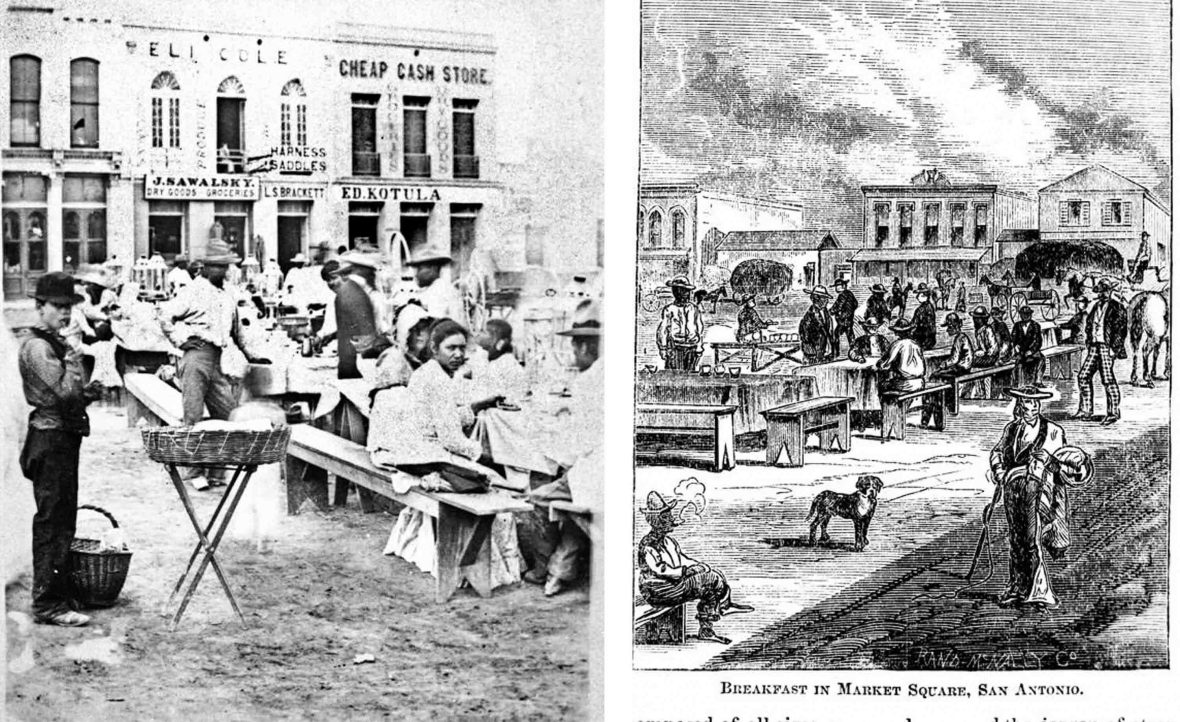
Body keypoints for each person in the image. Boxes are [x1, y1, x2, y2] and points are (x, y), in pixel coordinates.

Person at [19, 272, 104, 626]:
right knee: (53, 521)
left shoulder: (49, 342)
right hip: (50, 439)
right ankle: (47, 604)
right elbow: (65, 394)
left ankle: (58, 593)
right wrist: (72, 355)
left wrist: (88, 391)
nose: (66, 315)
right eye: (58, 307)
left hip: (60, 437)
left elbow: (70, 395)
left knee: (63, 518)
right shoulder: (38, 347)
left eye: (69, 308)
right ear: (40, 307)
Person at [160, 240, 258, 490]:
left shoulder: (227, 294)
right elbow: (165, 316)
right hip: (196, 356)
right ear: (204, 267)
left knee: (227, 414)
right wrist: (182, 341)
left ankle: (216, 470)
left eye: (225, 267)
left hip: (218, 358)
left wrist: (252, 355)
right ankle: (194, 472)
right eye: (218, 267)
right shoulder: (192, 290)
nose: (224, 272)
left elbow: (237, 330)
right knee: (192, 416)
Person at [525, 301, 604, 596]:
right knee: (569, 499)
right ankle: (564, 566)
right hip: (608, 469)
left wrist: (558, 449)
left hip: (597, 473)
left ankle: (546, 567)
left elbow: (579, 446)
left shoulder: (587, 382)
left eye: (574, 349)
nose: (574, 355)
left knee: (539, 496)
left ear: (585, 348)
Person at [988, 386, 1092, 608]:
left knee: (1031, 538)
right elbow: (997, 453)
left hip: (1038, 490)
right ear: (1019, 404)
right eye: (1027, 402)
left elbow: (1063, 467)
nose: (1032, 407)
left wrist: (1048, 460)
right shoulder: (1012, 429)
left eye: (1035, 403)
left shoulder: (1053, 431)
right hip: (1012, 488)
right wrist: (998, 472)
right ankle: (1017, 587)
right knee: (1016, 539)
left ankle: (1039, 590)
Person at [637, 491, 753, 644]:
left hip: (672, 583)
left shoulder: (669, 542)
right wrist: (686, 572)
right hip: (657, 590)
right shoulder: (648, 544)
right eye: (666, 516)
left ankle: (712, 622)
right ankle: (721, 609)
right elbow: (660, 569)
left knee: (712, 575)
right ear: (656, 520)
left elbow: (681, 559)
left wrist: (697, 566)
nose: (671, 519)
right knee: (709, 580)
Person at [1073, 280, 1127, 425]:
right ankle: (1086, 410)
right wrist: (1089, 342)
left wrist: (1113, 349)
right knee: (1083, 376)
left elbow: (1121, 332)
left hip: (1107, 347)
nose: (1102, 294)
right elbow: (1089, 325)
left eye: (1105, 291)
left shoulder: (1118, 308)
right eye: (1100, 291)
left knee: (1108, 379)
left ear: (1110, 291)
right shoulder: (1095, 307)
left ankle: (1113, 412)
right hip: (1095, 347)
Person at [333, 250, 391, 380]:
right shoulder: (353, 292)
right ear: (360, 270)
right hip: (356, 365)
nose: (373, 274)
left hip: (351, 360)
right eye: (371, 271)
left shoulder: (352, 290)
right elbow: (365, 337)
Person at [655, 275, 704, 371]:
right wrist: (663, 348)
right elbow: (663, 330)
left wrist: (699, 347)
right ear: (676, 292)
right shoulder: (669, 309)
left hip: (692, 348)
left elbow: (699, 328)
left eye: (687, 291)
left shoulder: (694, 309)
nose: (686, 293)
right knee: (674, 375)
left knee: (691, 375)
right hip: (675, 348)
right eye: (683, 291)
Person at [407, 246, 463, 322]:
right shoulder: (434, 289)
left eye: (420, 269)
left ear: (432, 268)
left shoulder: (439, 291)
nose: (416, 274)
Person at [876, 318, 925, 393]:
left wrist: (880, 363)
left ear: (897, 332)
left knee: (882, 385)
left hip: (906, 384)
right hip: (920, 383)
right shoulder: (915, 344)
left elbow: (885, 364)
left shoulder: (897, 344)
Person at [798, 285, 836, 364]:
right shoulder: (809, 316)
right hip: (814, 357)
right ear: (816, 299)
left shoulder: (826, 313)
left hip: (826, 355)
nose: (827, 301)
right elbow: (805, 337)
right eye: (824, 298)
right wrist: (812, 355)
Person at [1011, 306, 1045, 387]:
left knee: (1041, 359)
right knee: (1017, 363)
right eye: (1023, 314)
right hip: (1020, 351)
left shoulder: (1035, 325)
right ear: (1020, 315)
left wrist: (1031, 351)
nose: (1025, 316)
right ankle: (1018, 384)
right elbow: (1013, 338)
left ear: (1030, 315)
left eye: (1027, 314)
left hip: (1031, 351)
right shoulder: (1017, 325)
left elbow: (1038, 341)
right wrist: (1015, 346)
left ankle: (1038, 381)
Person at [830, 278, 857, 355]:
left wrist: (832, 311)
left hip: (843, 320)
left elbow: (838, 306)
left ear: (843, 286)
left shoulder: (842, 295)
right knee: (850, 336)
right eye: (836, 286)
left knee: (835, 336)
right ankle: (855, 352)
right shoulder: (850, 294)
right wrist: (850, 312)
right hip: (849, 320)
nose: (836, 288)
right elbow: (855, 304)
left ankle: (835, 353)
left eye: (838, 286)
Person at [910, 284, 937, 350]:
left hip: (925, 341)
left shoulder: (924, 309)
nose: (917, 297)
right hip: (926, 340)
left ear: (925, 295)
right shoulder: (926, 307)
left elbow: (929, 328)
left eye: (919, 294)